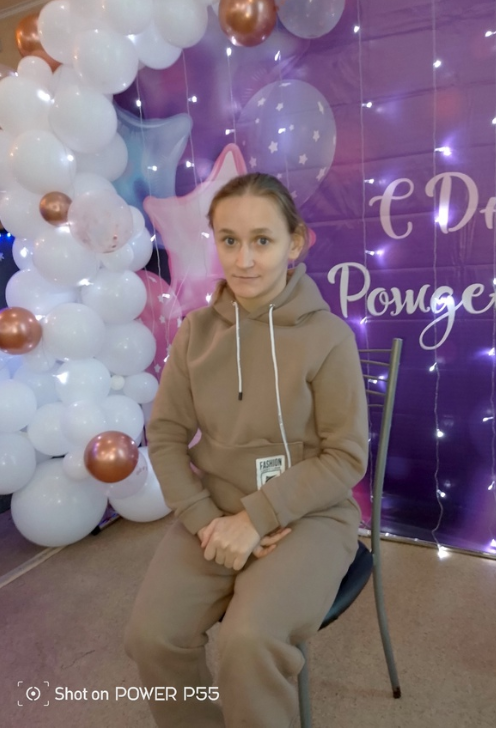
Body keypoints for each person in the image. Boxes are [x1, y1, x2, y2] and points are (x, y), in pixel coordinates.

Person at [124, 172, 369, 728]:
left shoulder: (328, 337)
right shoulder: (195, 333)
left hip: (308, 516)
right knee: (152, 636)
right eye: (229, 240)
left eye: (263, 240)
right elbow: (165, 436)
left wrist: (257, 517)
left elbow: (345, 456)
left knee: (249, 640)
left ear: (294, 243)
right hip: (214, 513)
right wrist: (207, 520)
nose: (244, 259)